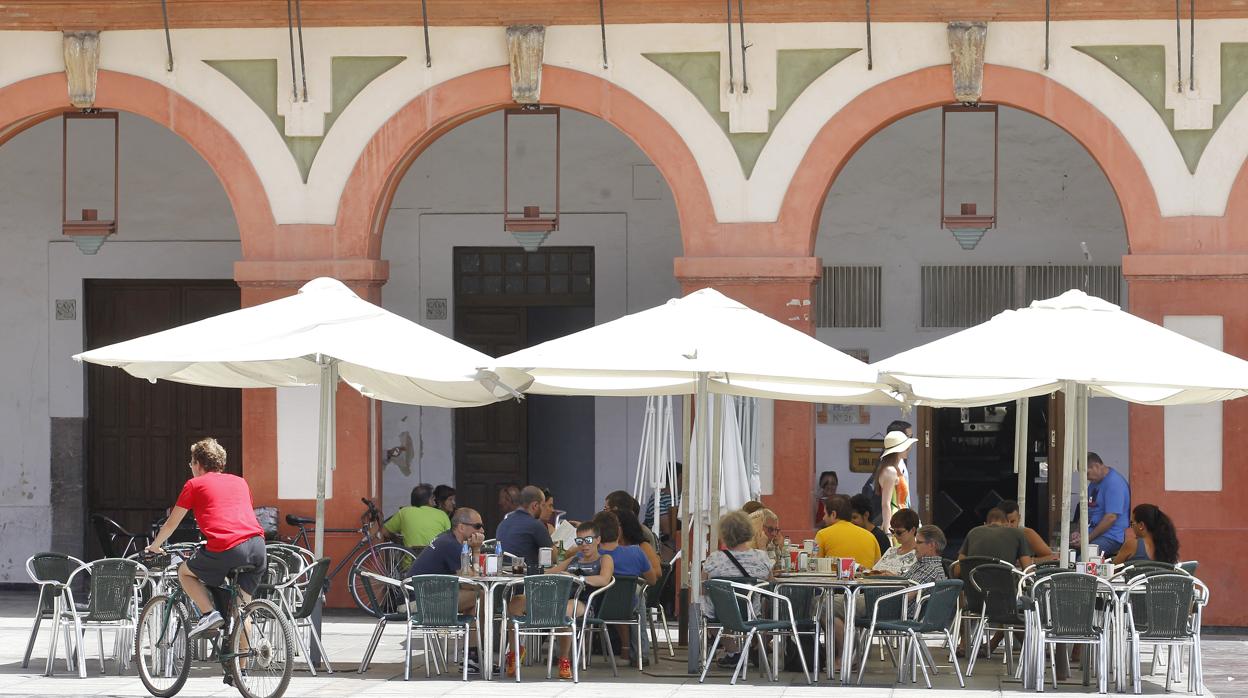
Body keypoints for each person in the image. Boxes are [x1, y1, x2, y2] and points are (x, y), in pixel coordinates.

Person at [146, 438, 266, 638]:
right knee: (242, 610)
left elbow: (171, 523)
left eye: (191, 462)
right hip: (257, 546)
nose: (191, 467)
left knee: (184, 572)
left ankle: (209, 613)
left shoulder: (194, 484)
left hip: (228, 547)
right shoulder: (240, 482)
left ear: (198, 464)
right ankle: (242, 669)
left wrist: (154, 547)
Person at [406, 507, 486, 674]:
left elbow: (467, 581)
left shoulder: (449, 540)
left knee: (474, 602)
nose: (482, 530)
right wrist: (477, 550)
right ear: (462, 527)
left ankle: (472, 658)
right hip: (417, 603)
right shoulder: (451, 545)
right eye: (477, 526)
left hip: (424, 596)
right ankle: (472, 657)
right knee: (482, 595)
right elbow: (471, 582)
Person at [704, 510, 774, 668]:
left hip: (719, 614)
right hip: (750, 613)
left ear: (724, 534)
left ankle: (733, 651)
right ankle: (757, 647)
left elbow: (704, 584)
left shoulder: (715, 559)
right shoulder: (761, 558)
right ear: (749, 531)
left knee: (709, 608)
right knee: (768, 605)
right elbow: (771, 584)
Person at [546, 520, 615, 679]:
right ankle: (515, 655)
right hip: (564, 601)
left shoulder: (604, 559)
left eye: (588, 540)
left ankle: (564, 659)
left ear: (598, 540)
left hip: (587, 604)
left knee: (566, 609)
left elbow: (604, 579)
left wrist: (578, 578)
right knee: (517, 602)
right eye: (580, 541)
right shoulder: (574, 559)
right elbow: (551, 572)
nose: (584, 545)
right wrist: (526, 570)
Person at [594, 510, 656, 663]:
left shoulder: (591, 556)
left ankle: (565, 654)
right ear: (619, 531)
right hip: (629, 607)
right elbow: (653, 580)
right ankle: (641, 654)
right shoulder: (636, 552)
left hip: (597, 609)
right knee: (637, 594)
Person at [1072, 452, 1131, 557]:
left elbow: (1111, 518)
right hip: (1093, 534)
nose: (1086, 478)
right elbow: (1086, 510)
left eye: (1087, 473)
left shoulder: (1114, 483)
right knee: (1064, 555)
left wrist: (1087, 538)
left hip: (1111, 537)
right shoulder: (1094, 483)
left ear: (1096, 466)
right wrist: (1078, 531)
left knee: (1083, 559)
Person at [815, 494, 882, 568]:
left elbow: (815, 566)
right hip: (865, 579)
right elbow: (877, 569)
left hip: (835, 579)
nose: (823, 518)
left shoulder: (822, 535)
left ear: (833, 514)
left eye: (825, 514)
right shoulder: (870, 536)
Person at [496, 485, 553, 570]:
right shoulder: (536, 525)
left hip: (503, 578)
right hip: (525, 579)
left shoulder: (503, 524)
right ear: (535, 505)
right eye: (543, 505)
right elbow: (554, 557)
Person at [382, 483, 451, 548]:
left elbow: (384, 531)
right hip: (435, 559)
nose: (435, 502)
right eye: (433, 498)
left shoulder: (404, 512)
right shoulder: (442, 514)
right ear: (429, 500)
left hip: (412, 559)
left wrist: (395, 538)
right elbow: (450, 539)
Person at [959, 508, 1033, 568]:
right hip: (1005, 585)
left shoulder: (973, 532)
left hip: (973, 584)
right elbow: (1028, 570)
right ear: (1007, 524)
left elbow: (957, 570)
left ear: (985, 524)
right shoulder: (1017, 533)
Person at [1112, 503, 1180, 564]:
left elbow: (1112, 570)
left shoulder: (1132, 545)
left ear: (1141, 525)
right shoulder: (1167, 548)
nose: (1131, 527)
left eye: (1132, 523)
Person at [873, 431, 916, 527]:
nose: (908, 449)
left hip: (902, 518)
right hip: (896, 521)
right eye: (905, 447)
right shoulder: (890, 471)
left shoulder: (896, 468)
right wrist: (888, 530)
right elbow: (886, 504)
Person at [869, 508, 921, 576]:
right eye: (892, 531)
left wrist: (894, 577)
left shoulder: (919, 555)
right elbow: (874, 571)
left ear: (913, 530)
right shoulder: (891, 550)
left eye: (899, 532)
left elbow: (915, 581)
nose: (895, 535)